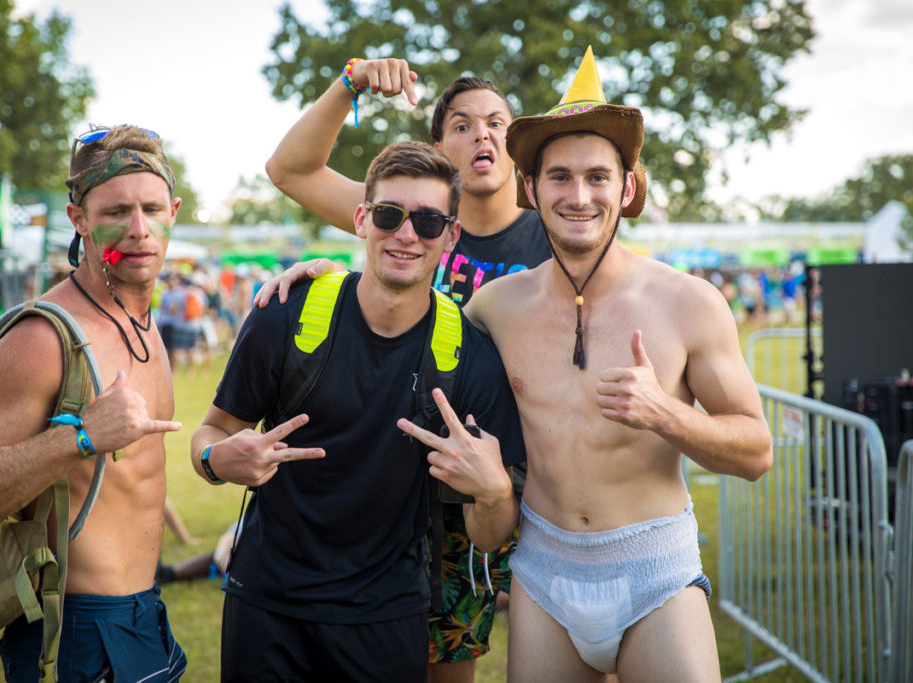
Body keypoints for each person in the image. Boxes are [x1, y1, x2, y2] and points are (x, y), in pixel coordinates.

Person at [453, 46, 772, 680]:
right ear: (530, 188)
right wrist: (333, 279)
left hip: (654, 571)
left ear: (626, 188)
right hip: (544, 571)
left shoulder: (688, 303)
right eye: (560, 177)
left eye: (598, 177)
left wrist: (668, 417)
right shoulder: (495, 307)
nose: (579, 195)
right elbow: (405, 322)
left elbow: (757, 451)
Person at [191, 141, 525, 682]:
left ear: (451, 235)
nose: (407, 234)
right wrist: (214, 460)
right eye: (390, 215)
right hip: (267, 605)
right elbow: (209, 434)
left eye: (429, 220)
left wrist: (494, 492)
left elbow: (488, 536)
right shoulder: (285, 316)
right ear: (362, 219)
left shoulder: (470, 356)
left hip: (387, 614)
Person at [264, 57, 551, 682]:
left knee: (452, 667)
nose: (483, 135)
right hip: (385, 480)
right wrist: (349, 84)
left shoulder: (552, 234)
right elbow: (289, 170)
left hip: (486, 484)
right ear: (438, 147)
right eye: (462, 125)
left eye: (498, 123)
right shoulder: (411, 219)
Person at [0, 124, 187, 682]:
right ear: (79, 220)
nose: (139, 230)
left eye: (152, 208)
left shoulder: (143, 321)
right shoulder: (43, 338)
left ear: (174, 211)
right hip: (72, 631)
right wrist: (82, 437)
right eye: (117, 211)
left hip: (145, 614)